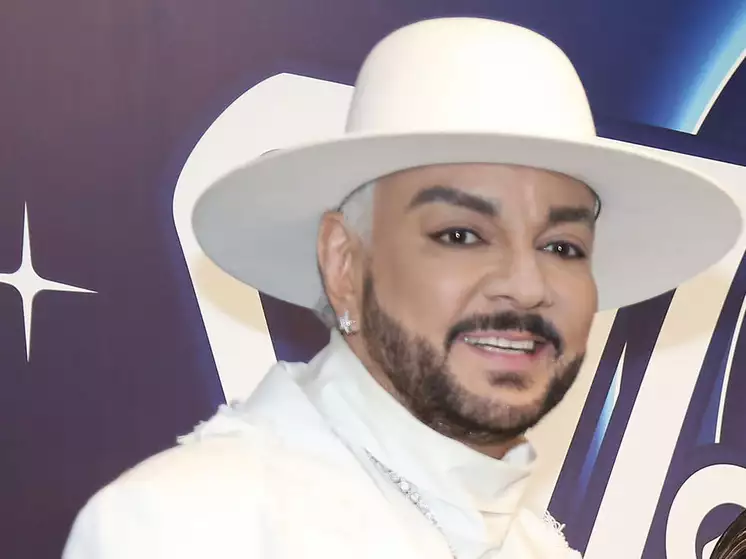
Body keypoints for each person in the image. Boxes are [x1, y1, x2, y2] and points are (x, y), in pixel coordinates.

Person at [62, 16, 741, 559]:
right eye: (461, 234)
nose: (526, 284)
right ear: (343, 262)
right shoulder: (185, 530)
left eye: (562, 246)